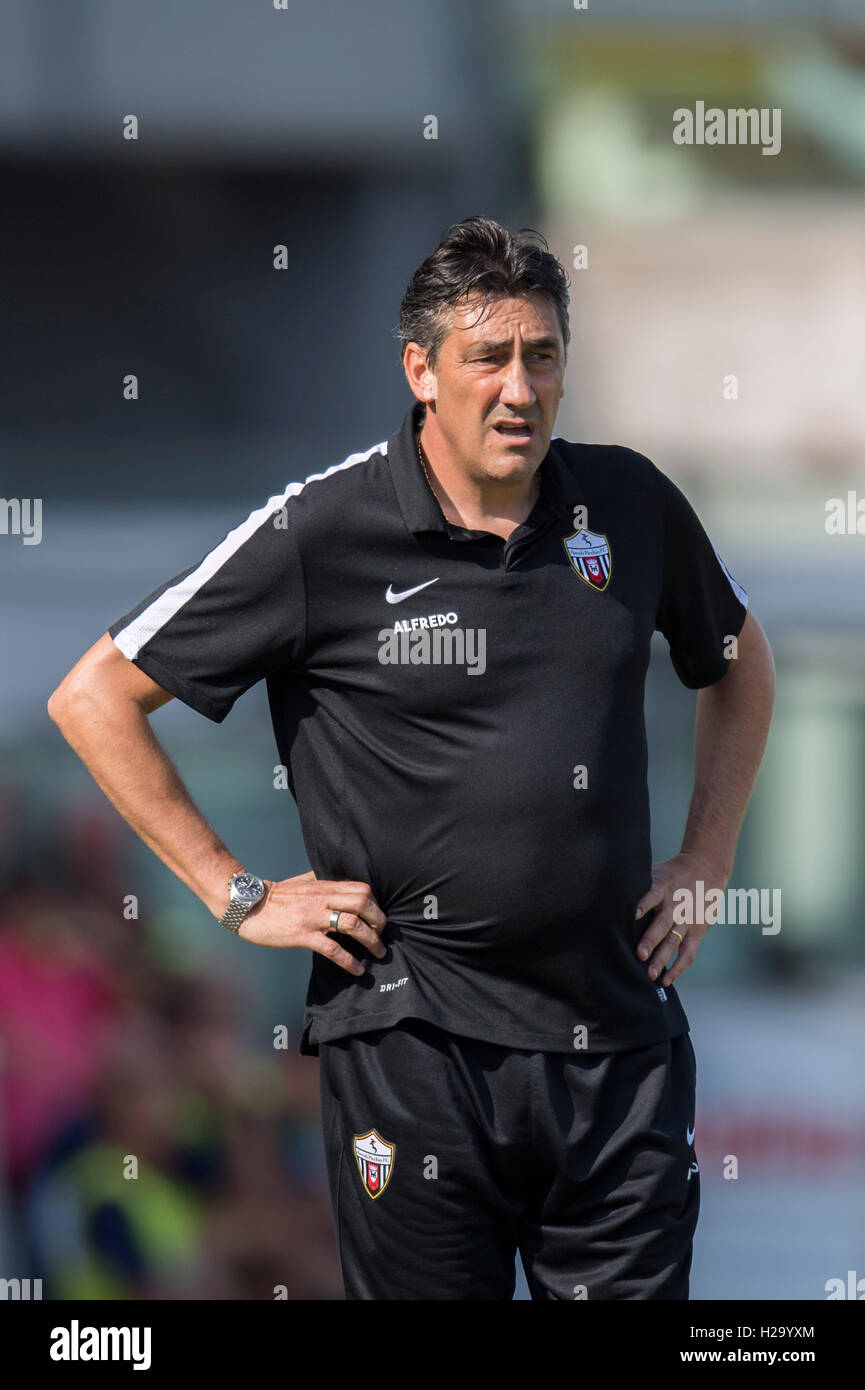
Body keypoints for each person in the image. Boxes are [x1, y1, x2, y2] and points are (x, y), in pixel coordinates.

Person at [48, 215, 775, 1300]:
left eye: (542, 356)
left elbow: (739, 663)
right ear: (420, 370)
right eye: (487, 358)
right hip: (413, 1050)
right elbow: (95, 693)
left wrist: (707, 856)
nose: (519, 388)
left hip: (616, 1046)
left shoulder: (629, 505)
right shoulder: (321, 530)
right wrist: (236, 891)